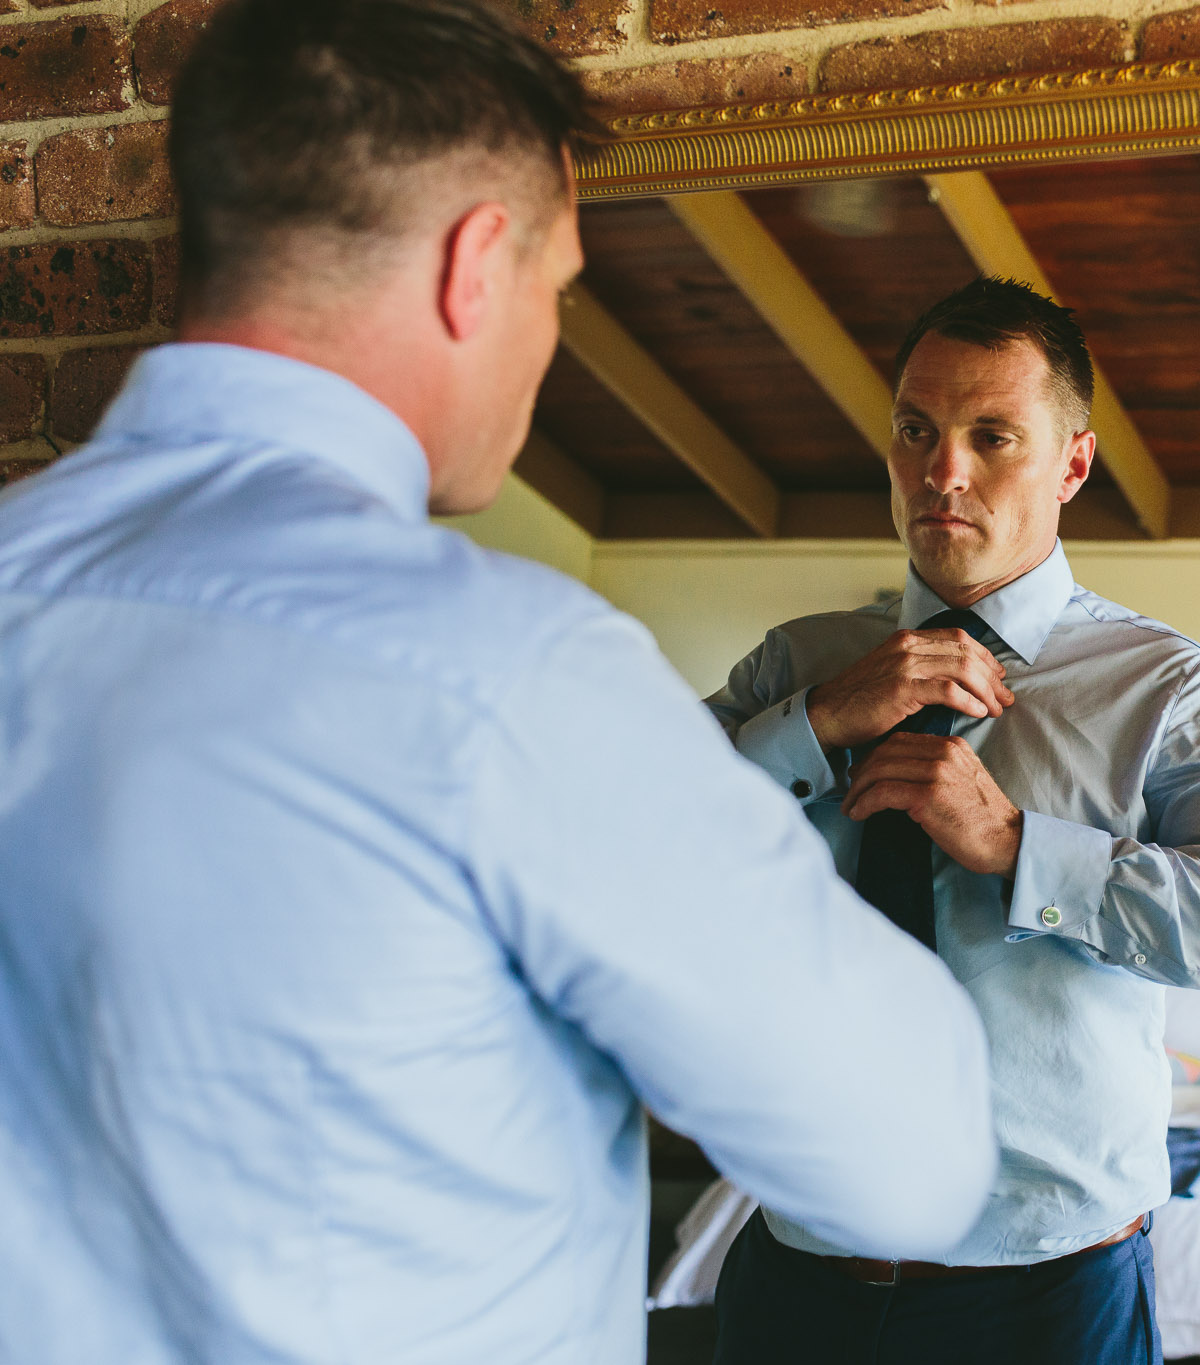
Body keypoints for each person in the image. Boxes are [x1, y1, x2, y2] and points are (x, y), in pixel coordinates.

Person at [0, 4, 996, 1364]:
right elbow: (910, 1157)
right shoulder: (506, 676)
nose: (550, 334)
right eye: (559, 285)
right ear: (476, 265)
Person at [706, 276, 1200, 1364]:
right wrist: (814, 723)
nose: (940, 472)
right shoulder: (798, 666)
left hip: (1043, 1302)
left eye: (991, 436)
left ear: (1072, 464)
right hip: (793, 1275)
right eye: (915, 430)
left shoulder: (1166, 689)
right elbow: (607, 850)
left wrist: (1021, 851)